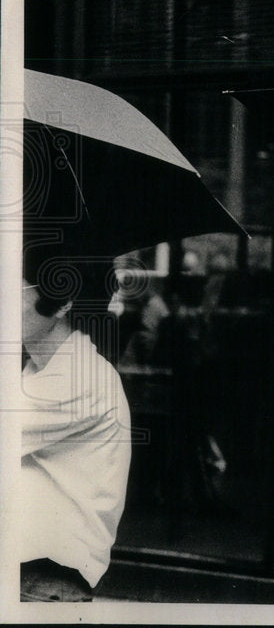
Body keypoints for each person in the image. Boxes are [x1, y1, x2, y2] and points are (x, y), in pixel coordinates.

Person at [19, 254, 131, 601]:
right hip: (31, 570)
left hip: (44, 577)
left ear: (62, 301)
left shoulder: (78, 375)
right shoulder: (40, 369)